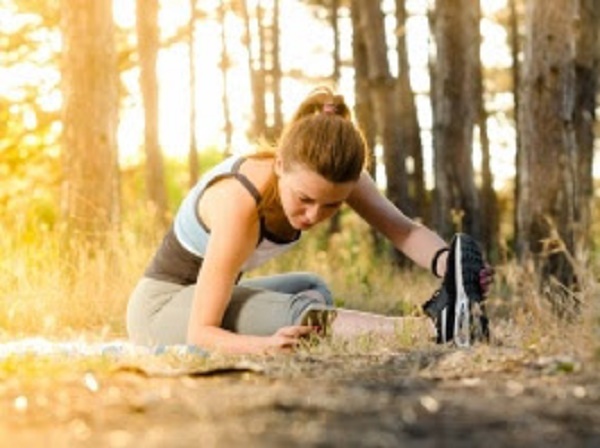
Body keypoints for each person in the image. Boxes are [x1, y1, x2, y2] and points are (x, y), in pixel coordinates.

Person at [126, 87, 493, 354]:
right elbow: (200, 332)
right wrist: (262, 346)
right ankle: (431, 330)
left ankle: (448, 318)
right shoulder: (240, 202)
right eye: (304, 199)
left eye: (332, 206)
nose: (314, 215)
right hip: (161, 311)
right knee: (300, 315)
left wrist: (450, 266)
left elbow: (405, 230)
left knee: (312, 287)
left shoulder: (335, 174)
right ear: (280, 165)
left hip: (209, 299)